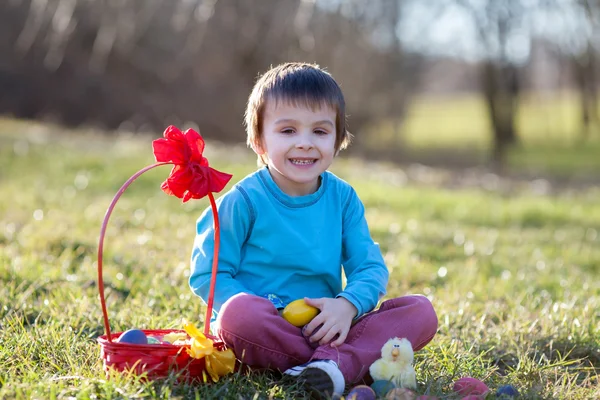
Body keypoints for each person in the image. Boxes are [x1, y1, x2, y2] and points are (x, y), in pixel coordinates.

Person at [189, 62, 438, 398]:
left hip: (330, 326)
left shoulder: (343, 198)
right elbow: (210, 274)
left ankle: (328, 364)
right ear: (259, 140)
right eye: (288, 131)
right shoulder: (244, 201)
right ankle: (338, 365)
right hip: (267, 329)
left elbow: (369, 267)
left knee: (420, 311)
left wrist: (347, 306)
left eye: (319, 132)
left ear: (337, 141)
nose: (305, 143)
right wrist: (270, 311)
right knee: (237, 313)